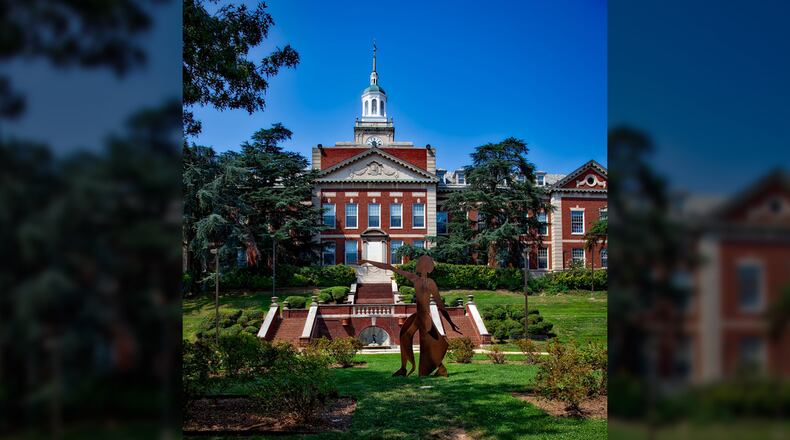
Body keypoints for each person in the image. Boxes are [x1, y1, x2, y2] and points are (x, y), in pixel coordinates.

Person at [359, 255, 460, 376]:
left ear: (426, 267)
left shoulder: (429, 282)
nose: (420, 267)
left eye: (422, 264)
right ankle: (404, 368)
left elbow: (440, 305)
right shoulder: (415, 279)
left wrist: (451, 323)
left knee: (427, 343)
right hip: (418, 316)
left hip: (424, 318)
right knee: (405, 336)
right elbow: (390, 267)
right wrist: (367, 261)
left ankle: (438, 368)